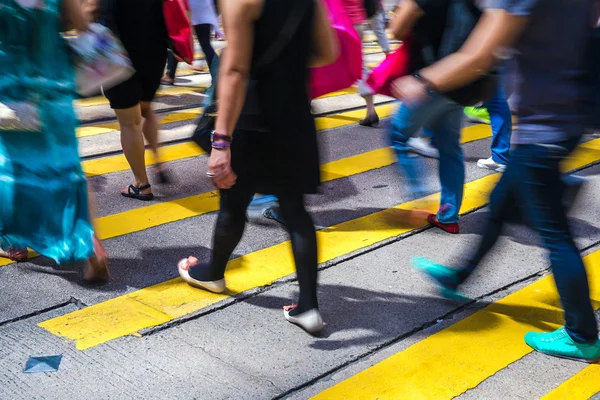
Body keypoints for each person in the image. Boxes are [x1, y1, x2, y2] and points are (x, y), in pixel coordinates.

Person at [404, 0, 600, 362]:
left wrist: (421, 81)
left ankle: (582, 335)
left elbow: (480, 55)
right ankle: (457, 277)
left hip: (542, 129)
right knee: (498, 206)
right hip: (565, 119)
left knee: (557, 236)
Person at [177, 0, 338, 334]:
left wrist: (220, 143)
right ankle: (308, 307)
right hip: (294, 114)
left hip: (250, 117)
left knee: (233, 202)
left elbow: (235, 71)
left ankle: (213, 274)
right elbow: (327, 52)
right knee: (296, 211)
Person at [0, 0, 108, 282]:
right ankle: (91, 245)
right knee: (68, 169)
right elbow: (78, 21)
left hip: (11, 91)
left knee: (11, 166)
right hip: (54, 87)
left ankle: (13, 242)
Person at [386, 0, 466, 234]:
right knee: (450, 148)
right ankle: (449, 215)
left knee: (398, 135)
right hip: (458, 78)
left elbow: (397, 29)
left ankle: (419, 193)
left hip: (429, 79)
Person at [99, 0, 170, 201]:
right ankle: (158, 162)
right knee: (146, 110)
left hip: (118, 56)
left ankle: (141, 183)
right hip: (154, 53)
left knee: (130, 123)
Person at [162, 0, 221, 85]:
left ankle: (170, 76)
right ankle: (218, 77)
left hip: (189, 9)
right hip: (204, 10)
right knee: (206, 45)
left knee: (177, 39)